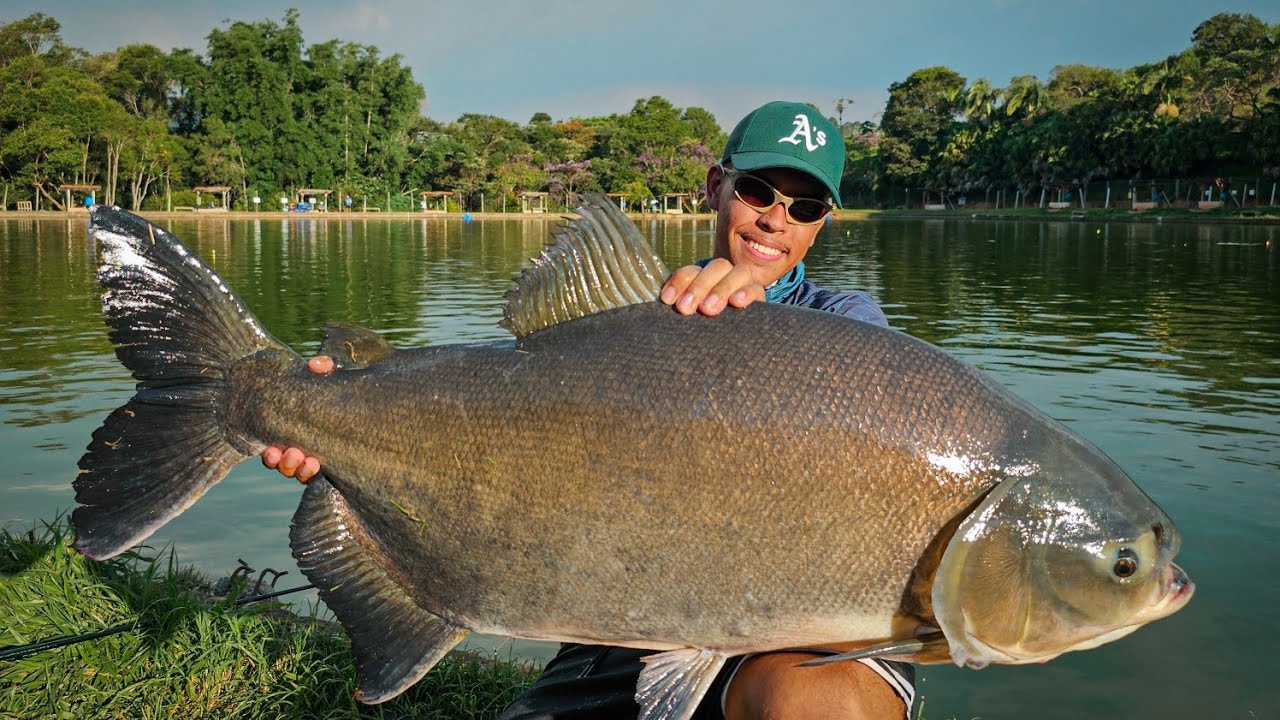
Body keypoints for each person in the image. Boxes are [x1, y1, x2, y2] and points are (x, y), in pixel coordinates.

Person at [263, 101, 909, 719]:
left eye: (805, 206)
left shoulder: (851, 330)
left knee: (817, 704)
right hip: (618, 630)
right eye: (758, 192)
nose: (776, 220)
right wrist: (340, 418)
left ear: (822, 221)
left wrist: (758, 324)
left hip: (790, 637)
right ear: (716, 187)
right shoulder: (632, 312)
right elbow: (499, 411)